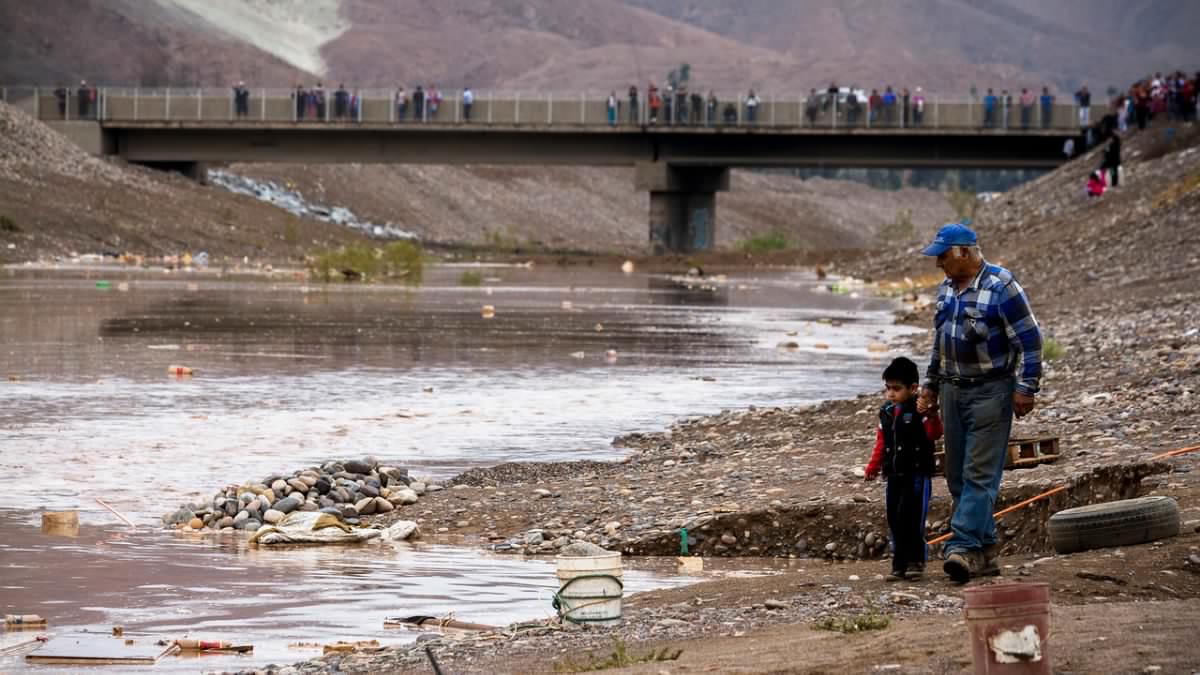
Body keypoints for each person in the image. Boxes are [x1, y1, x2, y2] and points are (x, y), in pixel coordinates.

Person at [917, 221, 1042, 584]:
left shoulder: (1002, 286)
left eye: (942, 256)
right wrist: (930, 386)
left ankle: (961, 546)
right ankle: (985, 551)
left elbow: (1031, 340)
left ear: (964, 253)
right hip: (953, 392)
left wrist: (1026, 388)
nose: (938, 263)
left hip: (992, 392)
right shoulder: (946, 290)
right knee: (957, 475)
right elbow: (940, 342)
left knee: (979, 475)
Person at [864, 357, 943, 582]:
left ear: (913, 388)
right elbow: (881, 441)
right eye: (888, 388)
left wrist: (930, 413)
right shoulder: (887, 412)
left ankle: (915, 562)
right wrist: (874, 466)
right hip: (894, 474)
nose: (891, 394)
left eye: (896, 389)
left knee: (912, 518)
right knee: (894, 518)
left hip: (916, 474)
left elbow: (935, 433)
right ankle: (898, 564)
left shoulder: (920, 409)